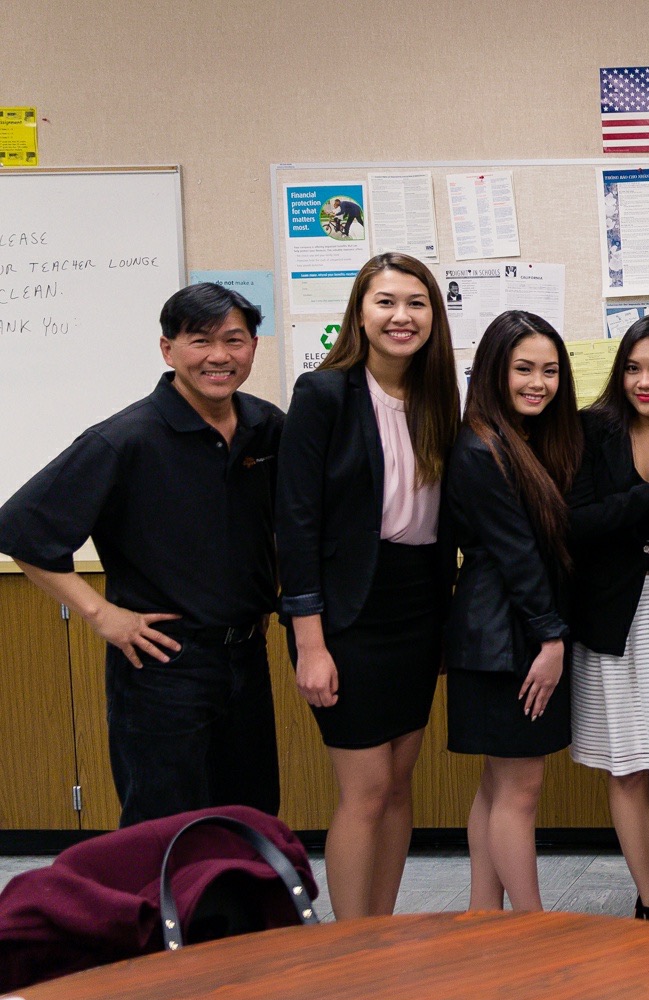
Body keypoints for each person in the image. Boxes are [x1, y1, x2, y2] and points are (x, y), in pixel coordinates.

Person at [0, 284, 282, 826]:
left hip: (247, 656)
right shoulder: (125, 439)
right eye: (200, 341)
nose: (219, 356)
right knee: (164, 826)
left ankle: (245, 917)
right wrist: (102, 615)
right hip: (162, 664)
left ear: (252, 347)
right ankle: (162, 916)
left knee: (250, 817)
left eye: (235, 340)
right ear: (167, 349)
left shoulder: (264, 426)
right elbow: (22, 530)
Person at [276, 253, 460, 919]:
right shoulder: (323, 395)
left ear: (433, 316)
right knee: (366, 786)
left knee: (400, 783)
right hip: (347, 612)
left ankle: (378, 930)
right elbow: (295, 524)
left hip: (416, 605)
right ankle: (349, 944)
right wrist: (310, 643)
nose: (401, 316)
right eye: (385, 301)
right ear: (360, 313)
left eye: (416, 302)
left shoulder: (440, 399)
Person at [442, 310, 581, 913]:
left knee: (500, 785)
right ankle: (531, 926)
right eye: (524, 368)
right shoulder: (482, 447)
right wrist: (551, 640)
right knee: (520, 790)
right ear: (494, 371)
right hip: (507, 639)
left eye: (550, 371)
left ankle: (483, 916)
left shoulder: (512, 441)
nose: (539, 382)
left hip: (496, 632)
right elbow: (518, 554)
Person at [566, 312, 649, 923]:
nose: (644, 381)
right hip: (612, 618)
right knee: (627, 763)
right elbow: (577, 524)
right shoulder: (589, 432)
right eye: (633, 368)